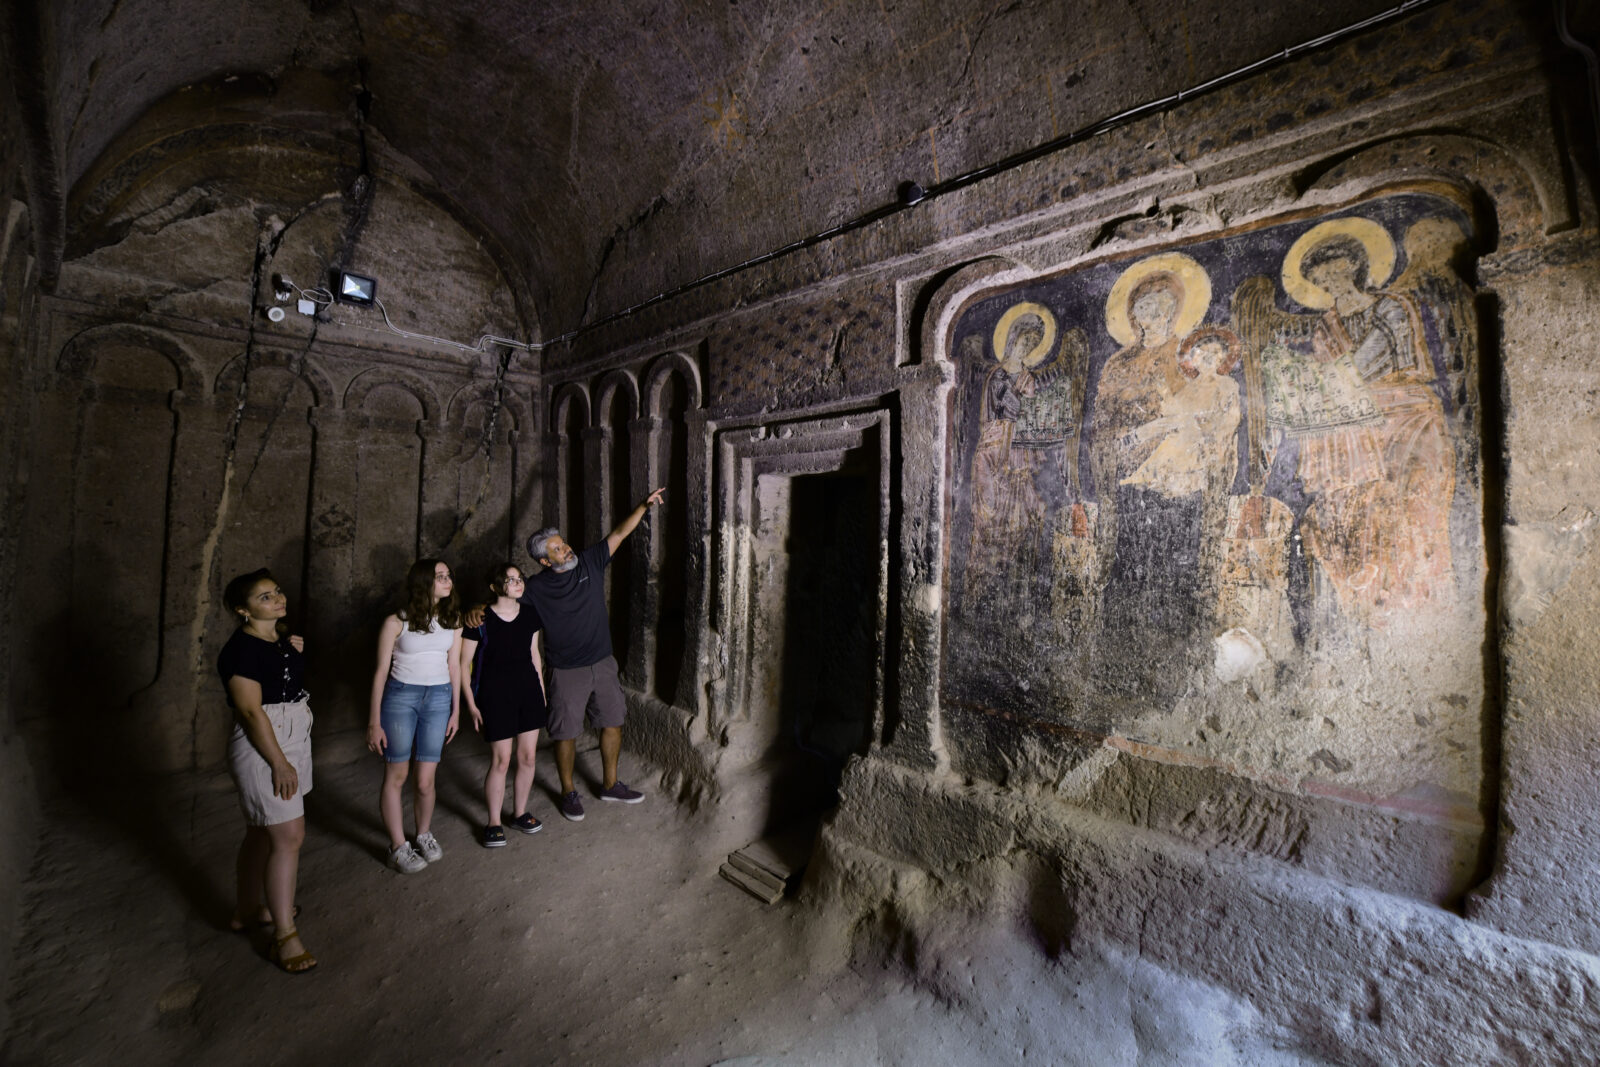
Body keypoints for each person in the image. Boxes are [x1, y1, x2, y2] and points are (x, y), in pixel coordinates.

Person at [468, 488, 666, 822]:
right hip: (565, 670)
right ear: (546, 561)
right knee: (565, 733)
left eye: (564, 543)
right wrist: (476, 608)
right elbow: (504, 600)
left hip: (603, 662)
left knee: (613, 722)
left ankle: (611, 784)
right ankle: (568, 791)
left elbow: (619, 533)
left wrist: (643, 506)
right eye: (558, 549)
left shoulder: (590, 560)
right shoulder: (533, 589)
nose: (566, 548)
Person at [217, 568, 316, 974]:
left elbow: (285, 678)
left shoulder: (279, 639)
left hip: (295, 731)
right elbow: (249, 710)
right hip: (267, 741)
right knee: (289, 836)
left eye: (276, 591)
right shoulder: (240, 651)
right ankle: (284, 936)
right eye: (264, 598)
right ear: (243, 610)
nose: (277, 598)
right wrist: (279, 762)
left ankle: (246, 910)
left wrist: (292, 648)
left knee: (262, 830)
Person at [367, 559, 463, 873]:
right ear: (424, 582)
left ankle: (423, 834)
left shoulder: (453, 620)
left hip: (439, 697)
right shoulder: (396, 622)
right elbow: (380, 671)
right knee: (397, 775)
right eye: (440, 576)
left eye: (448, 575)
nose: (447, 580)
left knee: (425, 780)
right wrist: (374, 721)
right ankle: (397, 846)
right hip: (400, 698)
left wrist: (456, 710)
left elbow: (455, 667)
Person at [459, 563, 547, 848]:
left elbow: (535, 655)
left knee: (528, 758)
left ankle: (519, 813)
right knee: (500, 760)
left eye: (519, 578)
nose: (517, 583)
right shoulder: (480, 620)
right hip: (494, 696)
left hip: (528, 692)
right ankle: (493, 822)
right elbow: (463, 665)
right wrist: (472, 706)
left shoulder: (531, 614)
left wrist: (542, 694)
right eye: (510, 580)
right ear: (496, 587)